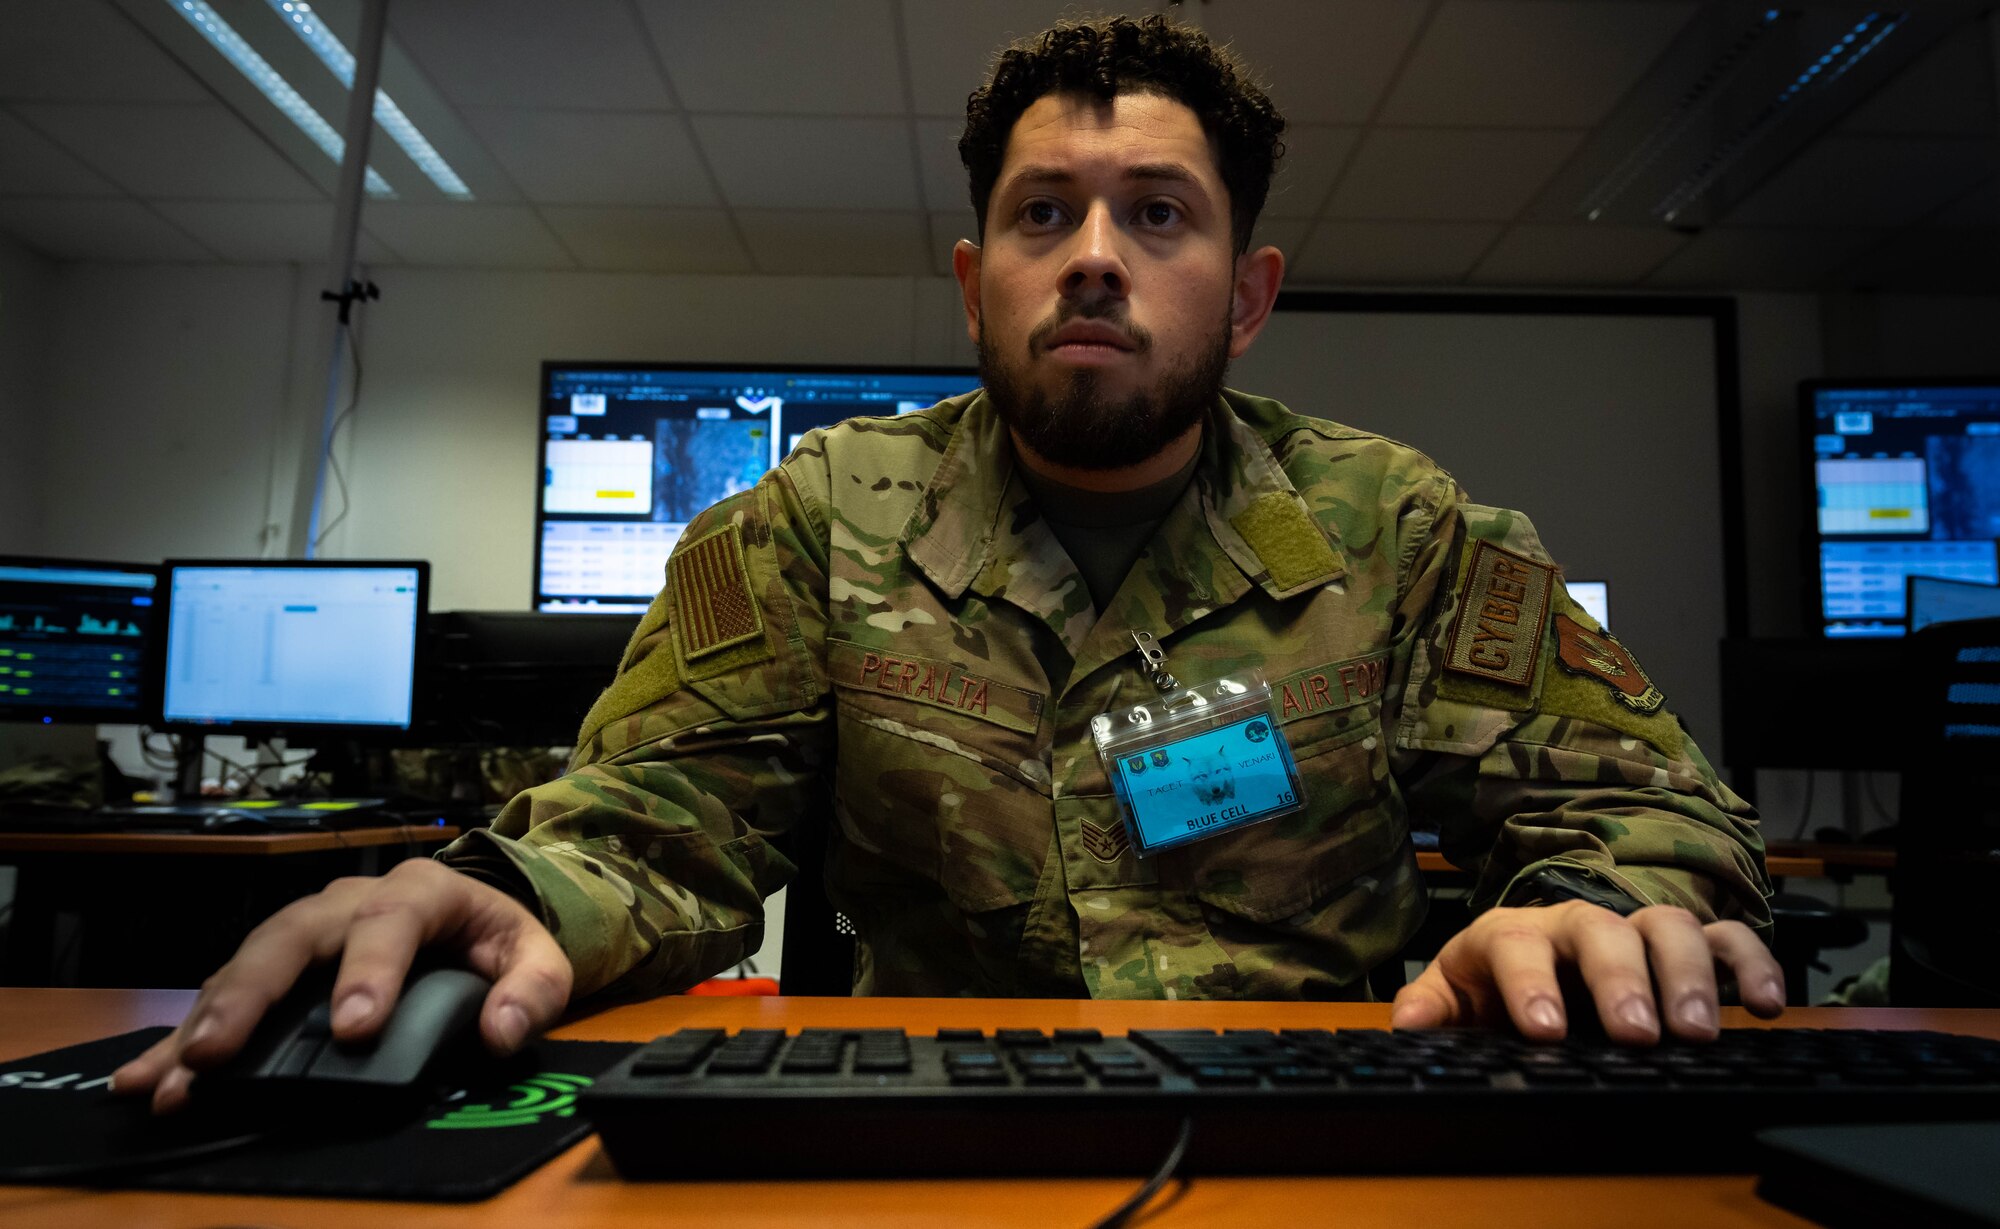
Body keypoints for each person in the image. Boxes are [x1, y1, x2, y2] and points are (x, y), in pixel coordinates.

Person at [116, 15, 1781, 1113]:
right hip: (917, 1130)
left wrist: (1593, 906)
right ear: (976, 279)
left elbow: (1656, 808)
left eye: (1160, 215)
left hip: (1315, 1131)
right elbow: (656, 819)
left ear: (1251, 293)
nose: (1099, 261)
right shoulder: (818, 519)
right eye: (1048, 216)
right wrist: (507, 893)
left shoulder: (1398, 527)